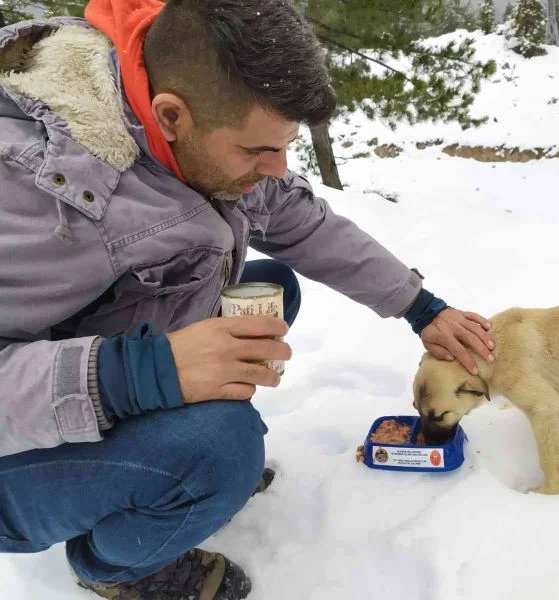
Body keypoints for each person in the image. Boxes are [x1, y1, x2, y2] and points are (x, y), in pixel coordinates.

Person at [0, 1, 495, 598]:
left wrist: (421, 307)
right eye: (258, 152)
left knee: (268, 292)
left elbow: (300, 221)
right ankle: (118, 567)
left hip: (85, 368)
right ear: (171, 116)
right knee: (220, 447)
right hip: (16, 447)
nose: (278, 168)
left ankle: (170, 471)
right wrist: (137, 375)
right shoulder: (35, 198)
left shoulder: (190, 130)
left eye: (285, 147)